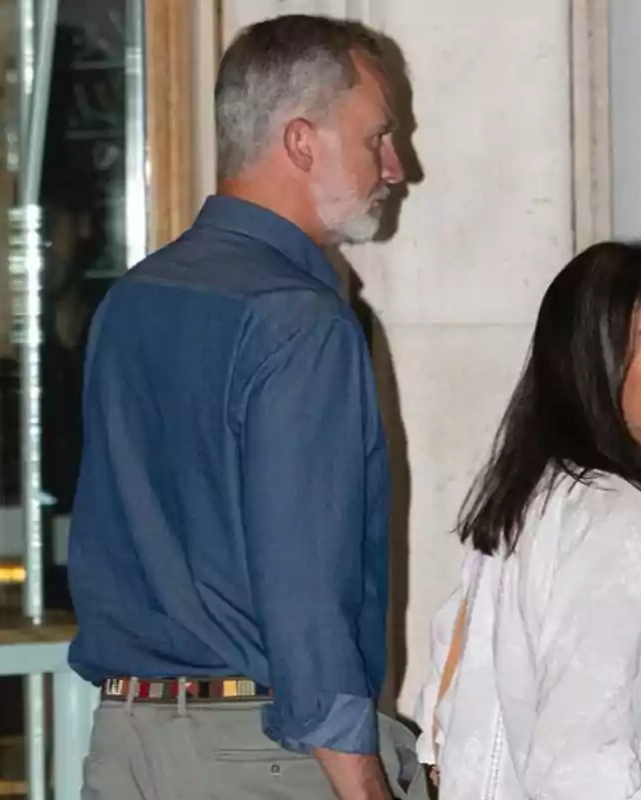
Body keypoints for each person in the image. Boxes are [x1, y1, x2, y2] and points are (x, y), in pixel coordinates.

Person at [67, 15, 416, 800]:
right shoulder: (300, 321)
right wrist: (365, 787)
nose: (398, 167)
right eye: (377, 138)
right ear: (301, 142)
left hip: (124, 743)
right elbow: (304, 589)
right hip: (257, 755)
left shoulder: (131, 301)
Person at [414, 241, 641, 799]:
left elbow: (444, 721)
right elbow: (584, 766)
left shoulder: (534, 500)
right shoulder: (623, 528)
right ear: (595, 363)